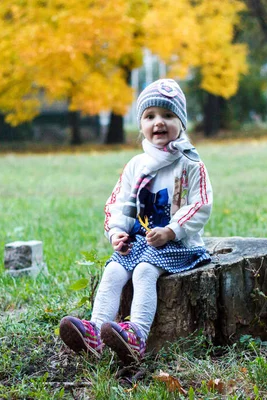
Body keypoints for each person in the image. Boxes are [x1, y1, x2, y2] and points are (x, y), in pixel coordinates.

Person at [59, 79, 213, 364]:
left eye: (168, 115)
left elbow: (200, 204)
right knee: (114, 270)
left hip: (178, 244)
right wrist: (117, 232)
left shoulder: (190, 163)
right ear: (141, 123)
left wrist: (171, 230)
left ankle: (136, 337)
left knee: (143, 271)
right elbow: (117, 202)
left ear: (182, 122)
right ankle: (93, 333)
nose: (159, 122)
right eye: (150, 116)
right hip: (140, 241)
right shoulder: (136, 165)